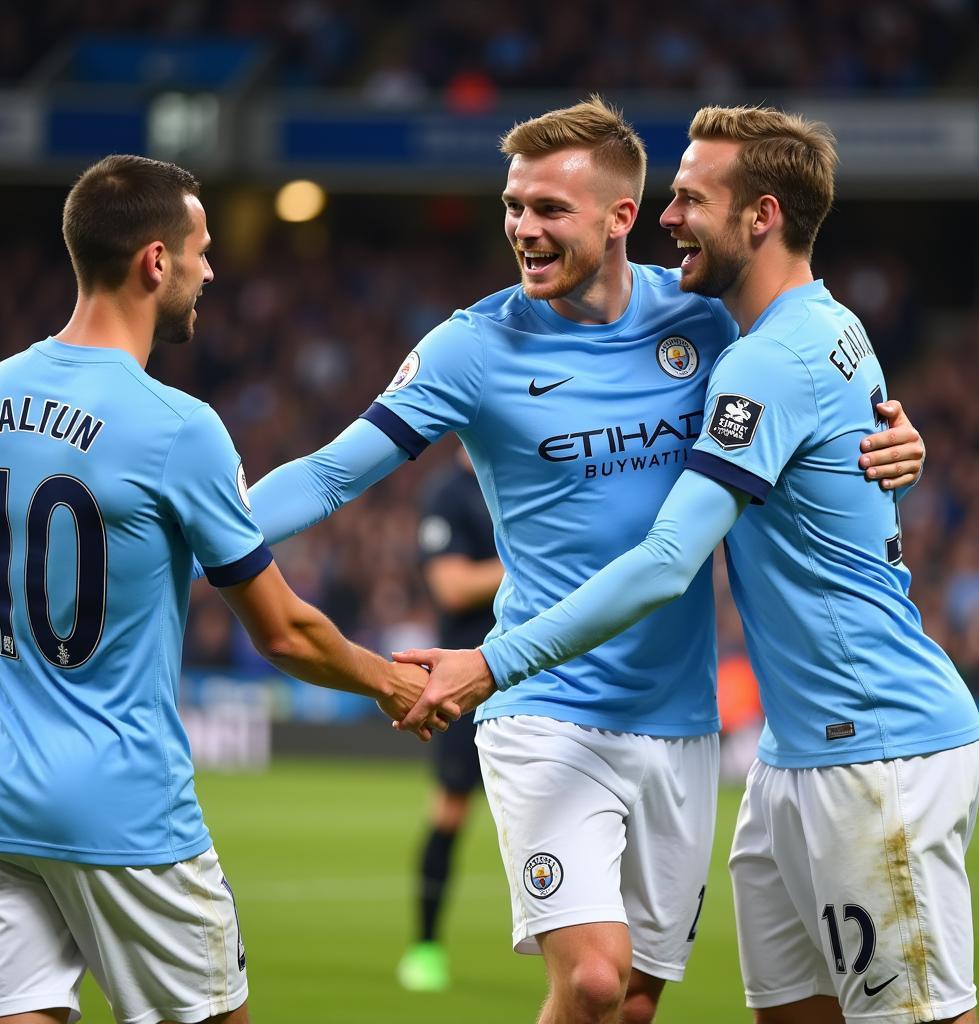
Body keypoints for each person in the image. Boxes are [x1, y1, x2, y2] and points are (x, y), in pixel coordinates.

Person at [242, 98, 923, 1024]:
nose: (523, 228)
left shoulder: (706, 319)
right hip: (542, 703)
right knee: (594, 981)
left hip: (678, 721)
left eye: (549, 210)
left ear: (620, 218)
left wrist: (893, 443)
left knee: (633, 1001)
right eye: (515, 205)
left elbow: (810, 384)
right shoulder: (471, 348)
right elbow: (328, 475)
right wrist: (209, 534)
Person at [0, 154, 431, 1024]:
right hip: (122, 806)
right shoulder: (176, 427)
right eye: (202, 250)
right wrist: (391, 682)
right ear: (156, 262)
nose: (212, 271)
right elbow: (284, 633)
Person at [396, 446, 503, 993]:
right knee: (451, 810)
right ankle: (425, 947)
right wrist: (532, 560)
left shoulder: (520, 467)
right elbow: (452, 586)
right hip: (465, 676)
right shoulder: (448, 492)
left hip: (538, 672)